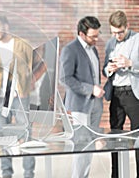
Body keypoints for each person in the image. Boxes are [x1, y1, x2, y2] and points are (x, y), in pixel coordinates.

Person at [0, 15, 34, 178]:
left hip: (19, 96)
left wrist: (27, 84)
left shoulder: (22, 44)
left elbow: (32, 66)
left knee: (25, 134)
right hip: (0, 98)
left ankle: (28, 173)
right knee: (2, 135)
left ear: (6, 27)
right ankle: (6, 174)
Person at [59, 16, 104, 178]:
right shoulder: (70, 50)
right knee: (82, 147)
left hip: (95, 105)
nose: (96, 39)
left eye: (97, 35)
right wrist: (90, 89)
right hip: (80, 106)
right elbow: (65, 78)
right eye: (93, 36)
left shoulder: (93, 49)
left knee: (90, 146)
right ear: (81, 34)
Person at [102, 10, 139, 178]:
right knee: (115, 135)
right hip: (116, 94)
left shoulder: (137, 40)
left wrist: (130, 63)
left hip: (133, 93)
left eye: (120, 32)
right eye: (114, 32)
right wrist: (108, 70)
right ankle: (116, 174)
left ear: (127, 26)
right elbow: (104, 68)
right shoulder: (110, 44)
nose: (117, 36)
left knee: (138, 136)